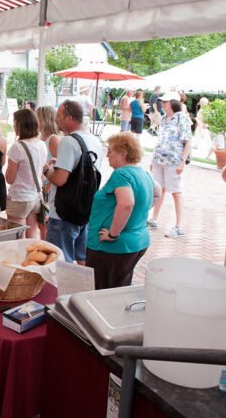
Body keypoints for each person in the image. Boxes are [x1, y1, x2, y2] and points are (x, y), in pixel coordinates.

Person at [86, 133, 158, 289]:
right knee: (118, 290)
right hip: (136, 242)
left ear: (123, 154)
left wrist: (113, 233)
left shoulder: (121, 174)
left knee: (100, 292)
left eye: (110, 151)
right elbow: (157, 193)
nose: (107, 155)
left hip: (112, 247)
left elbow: (127, 203)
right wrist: (140, 211)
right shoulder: (143, 173)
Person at [43, 100, 103, 264]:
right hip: (84, 209)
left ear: (69, 118)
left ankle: (62, 291)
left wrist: (47, 171)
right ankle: (81, 289)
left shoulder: (69, 141)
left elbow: (60, 179)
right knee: (82, 259)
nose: (56, 120)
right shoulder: (94, 140)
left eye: (59, 116)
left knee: (60, 263)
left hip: (64, 212)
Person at [148, 91, 192, 238]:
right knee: (159, 189)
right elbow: (160, 140)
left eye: (166, 101)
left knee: (175, 191)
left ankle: (179, 226)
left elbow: (188, 142)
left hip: (173, 160)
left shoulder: (182, 119)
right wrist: (153, 159)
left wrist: (182, 162)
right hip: (159, 159)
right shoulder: (163, 119)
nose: (163, 104)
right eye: (163, 101)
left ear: (174, 103)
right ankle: (154, 219)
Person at [5, 108, 47, 239]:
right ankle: (32, 258)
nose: (13, 125)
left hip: (19, 198)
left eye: (15, 123)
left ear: (21, 125)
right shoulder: (41, 144)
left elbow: (10, 179)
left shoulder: (17, 147)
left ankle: (20, 259)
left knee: (18, 238)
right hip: (35, 196)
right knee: (32, 235)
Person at [36, 105, 61, 239]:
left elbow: (60, 164)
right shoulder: (41, 139)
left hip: (49, 187)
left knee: (46, 224)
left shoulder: (53, 139)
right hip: (42, 186)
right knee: (41, 224)